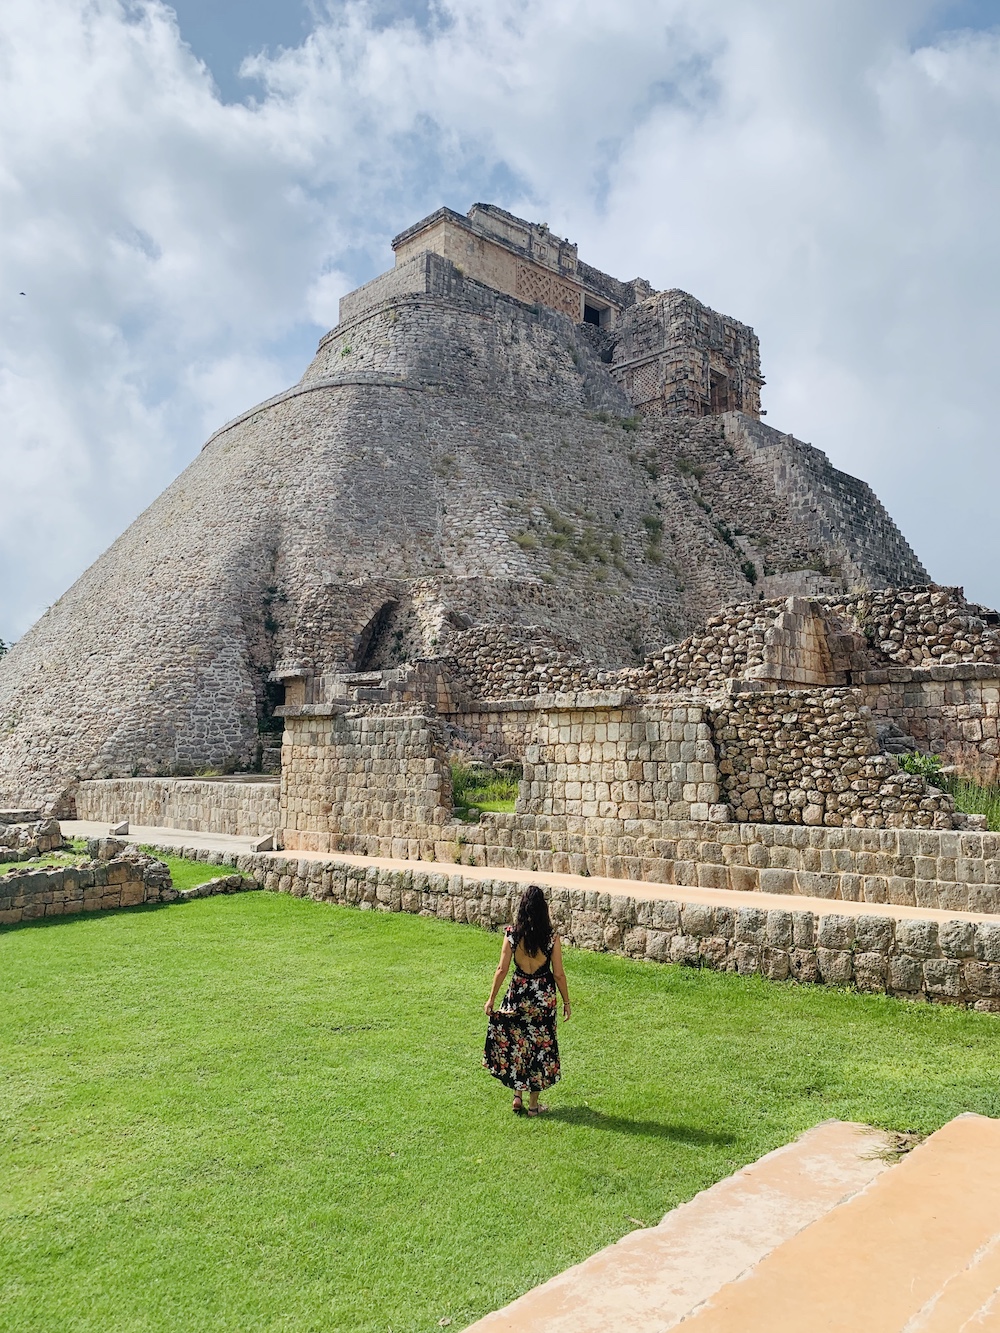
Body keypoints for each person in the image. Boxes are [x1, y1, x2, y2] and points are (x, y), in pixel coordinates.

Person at [483, 884, 571, 1116]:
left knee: (517, 1043)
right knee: (540, 1047)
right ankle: (533, 1106)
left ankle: (517, 1096)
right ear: (544, 909)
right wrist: (567, 1002)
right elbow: (559, 974)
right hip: (543, 996)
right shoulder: (551, 938)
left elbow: (502, 969)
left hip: (518, 992)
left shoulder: (513, 934)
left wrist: (491, 998)